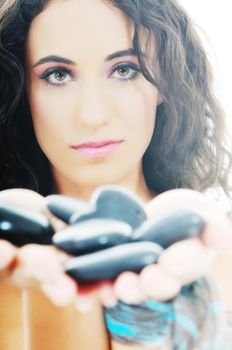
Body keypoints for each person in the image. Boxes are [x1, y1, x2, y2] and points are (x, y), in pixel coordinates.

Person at [0, 0, 232, 349]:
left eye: (124, 69)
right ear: (22, 91)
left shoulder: (217, 251)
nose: (92, 116)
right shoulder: (13, 269)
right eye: (58, 75)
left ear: (163, 82)